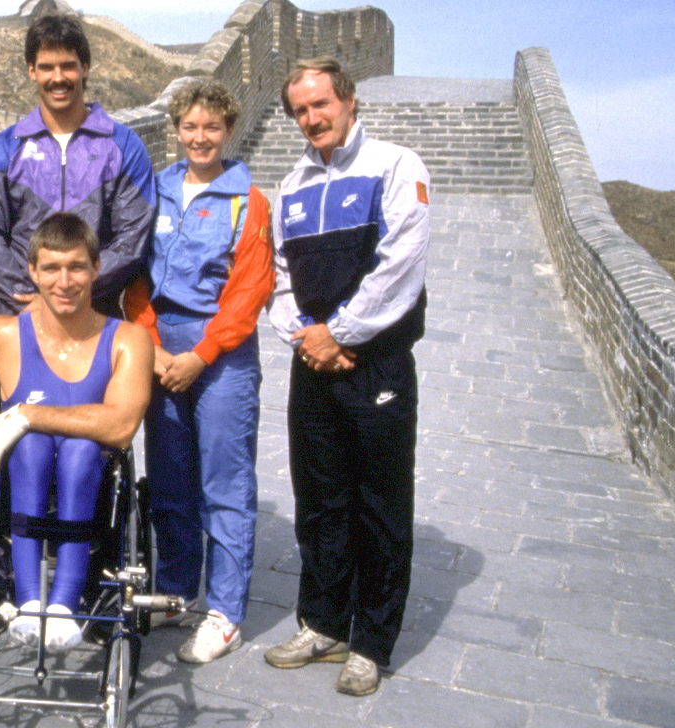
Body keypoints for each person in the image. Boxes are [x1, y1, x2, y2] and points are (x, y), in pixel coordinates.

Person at [265, 57, 430, 696]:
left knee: (379, 505)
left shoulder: (395, 166)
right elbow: (281, 278)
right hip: (315, 366)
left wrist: (342, 333)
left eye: (321, 104)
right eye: (300, 110)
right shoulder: (293, 185)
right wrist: (308, 339)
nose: (312, 118)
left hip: (375, 363)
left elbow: (399, 268)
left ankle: (371, 641)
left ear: (349, 101)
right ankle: (325, 623)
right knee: (319, 499)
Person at [0, 213, 153, 653]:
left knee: (79, 449)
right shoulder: (3, 334)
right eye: (52, 269)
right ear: (32, 271)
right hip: (22, 478)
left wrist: (26, 414)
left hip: (91, 487)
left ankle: (61, 606)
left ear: (96, 269)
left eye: (77, 267)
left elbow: (119, 427)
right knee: (32, 448)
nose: (65, 281)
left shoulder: (128, 340)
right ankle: (28, 602)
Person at [123, 80, 274, 664]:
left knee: (224, 484)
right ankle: (179, 590)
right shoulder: (155, 190)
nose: (200, 138)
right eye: (190, 127)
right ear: (176, 130)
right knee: (170, 478)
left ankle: (226, 611)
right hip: (162, 348)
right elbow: (133, 275)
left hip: (220, 354)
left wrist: (202, 355)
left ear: (228, 131)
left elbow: (250, 286)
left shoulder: (246, 200)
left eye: (211, 128)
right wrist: (155, 349)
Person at [0, 14, 156, 318]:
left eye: (68, 65)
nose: (58, 77)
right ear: (32, 71)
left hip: (95, 315)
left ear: (84, 68)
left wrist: (69, 293)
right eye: (46, 67)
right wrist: (36, 298)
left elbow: (132, 240)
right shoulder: (5, 148)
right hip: (19, 314)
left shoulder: (123, 146)